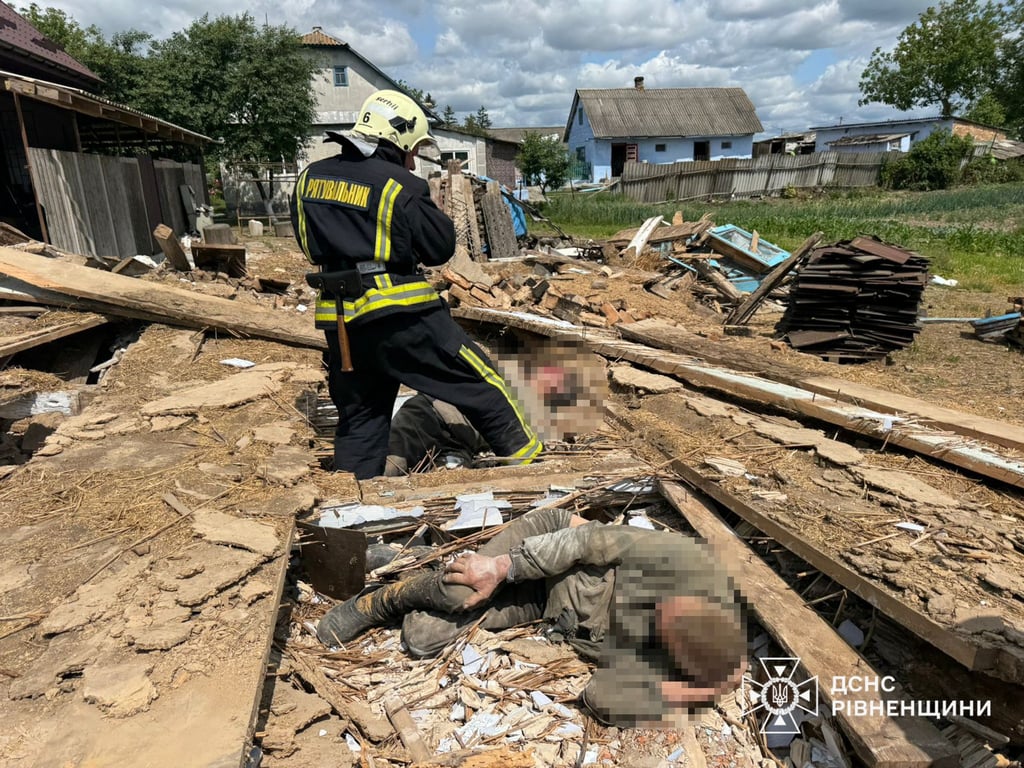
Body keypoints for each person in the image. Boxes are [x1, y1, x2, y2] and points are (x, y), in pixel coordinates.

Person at [289, 90, 541, 479]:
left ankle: (356, 504)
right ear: (401, 138)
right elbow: (439, 248)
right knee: (481, 383)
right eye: (414, 148)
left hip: (342, 323)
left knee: (361, 417)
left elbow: (308, 244)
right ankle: (534, 466)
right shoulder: (399, 184)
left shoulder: (309, 179)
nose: (413, 157)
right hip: (402, 316)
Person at [316, 507, 748, 727]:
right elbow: (586, 540)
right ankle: (377, 601)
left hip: (545, 607)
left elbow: (602, 699)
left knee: (424, 638)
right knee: (461, 589)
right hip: (545, 548)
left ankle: (422, 562)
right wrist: (499, 567)